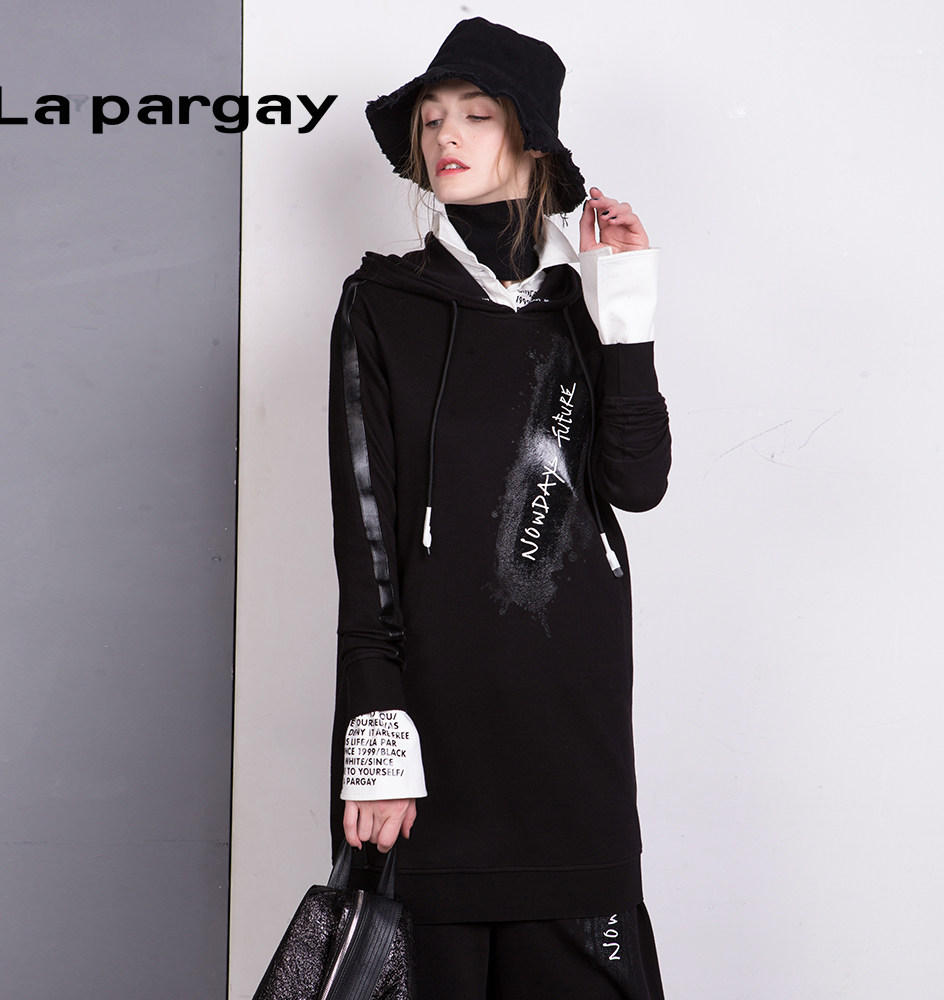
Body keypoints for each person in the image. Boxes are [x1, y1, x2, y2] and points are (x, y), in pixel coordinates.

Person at [327, 17, 671, 999]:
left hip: (572, 724)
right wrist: (377, 735)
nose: (447, 134)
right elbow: (365, 530)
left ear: (532, 139)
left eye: (477, 114)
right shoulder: (381, 303)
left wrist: (626, 306)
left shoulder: (582, 303)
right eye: (433, 117)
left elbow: (637, 484)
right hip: (435, 731)